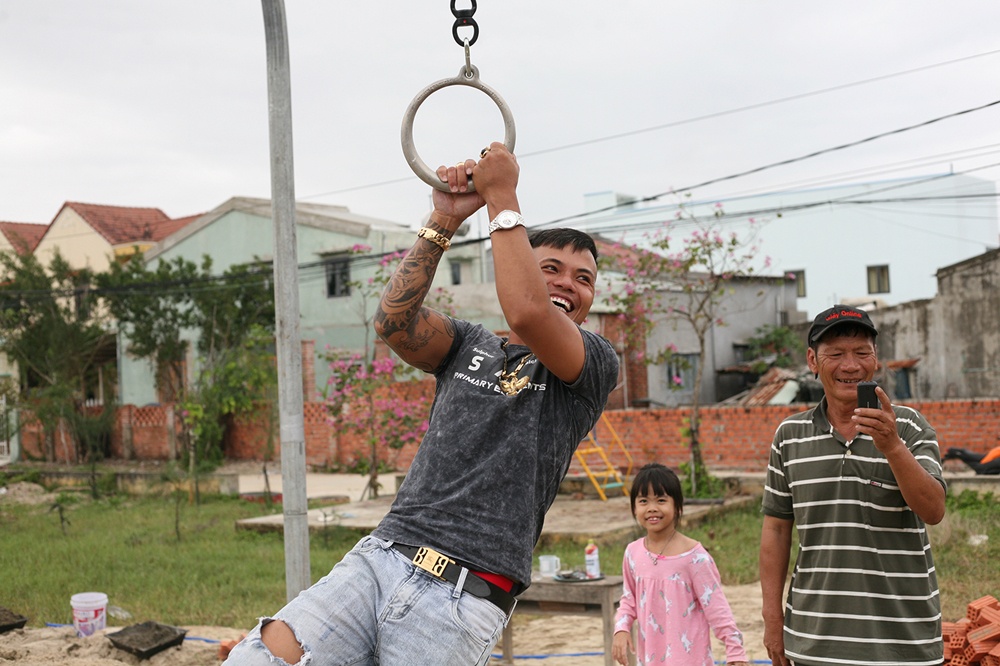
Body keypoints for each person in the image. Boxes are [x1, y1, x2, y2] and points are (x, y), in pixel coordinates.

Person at [223, 142, 620, 666]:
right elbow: (393, 323)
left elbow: (528, 312)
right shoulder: (468, 343)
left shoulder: (592, 364)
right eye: (552, 269)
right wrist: (443, 219)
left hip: (463, 594)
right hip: (381, 558)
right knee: (255, 660)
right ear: (523, 265)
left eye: (584, 279)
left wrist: (502, 194)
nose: (568, 284)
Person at [759, 304, 946, 666]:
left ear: (876, 360)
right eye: (836, 354)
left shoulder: (907, 427)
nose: (850, 365)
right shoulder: (789, 436)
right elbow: (776, 530)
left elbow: (933, 510)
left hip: (904, 644)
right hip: (814, 643)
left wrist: (891, 445)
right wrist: (772, 621)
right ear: (813, 361)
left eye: (862, 353)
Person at [612, 463, 749, 666]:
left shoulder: (695, 558)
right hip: (649, 659)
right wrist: (621, 628)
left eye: (661, 500)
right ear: (634, 507)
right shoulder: (633, 552)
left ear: (677, 506)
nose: (652, 508)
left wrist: (735, 652)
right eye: (643, 501)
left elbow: (717, 609)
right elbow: (629, 598)